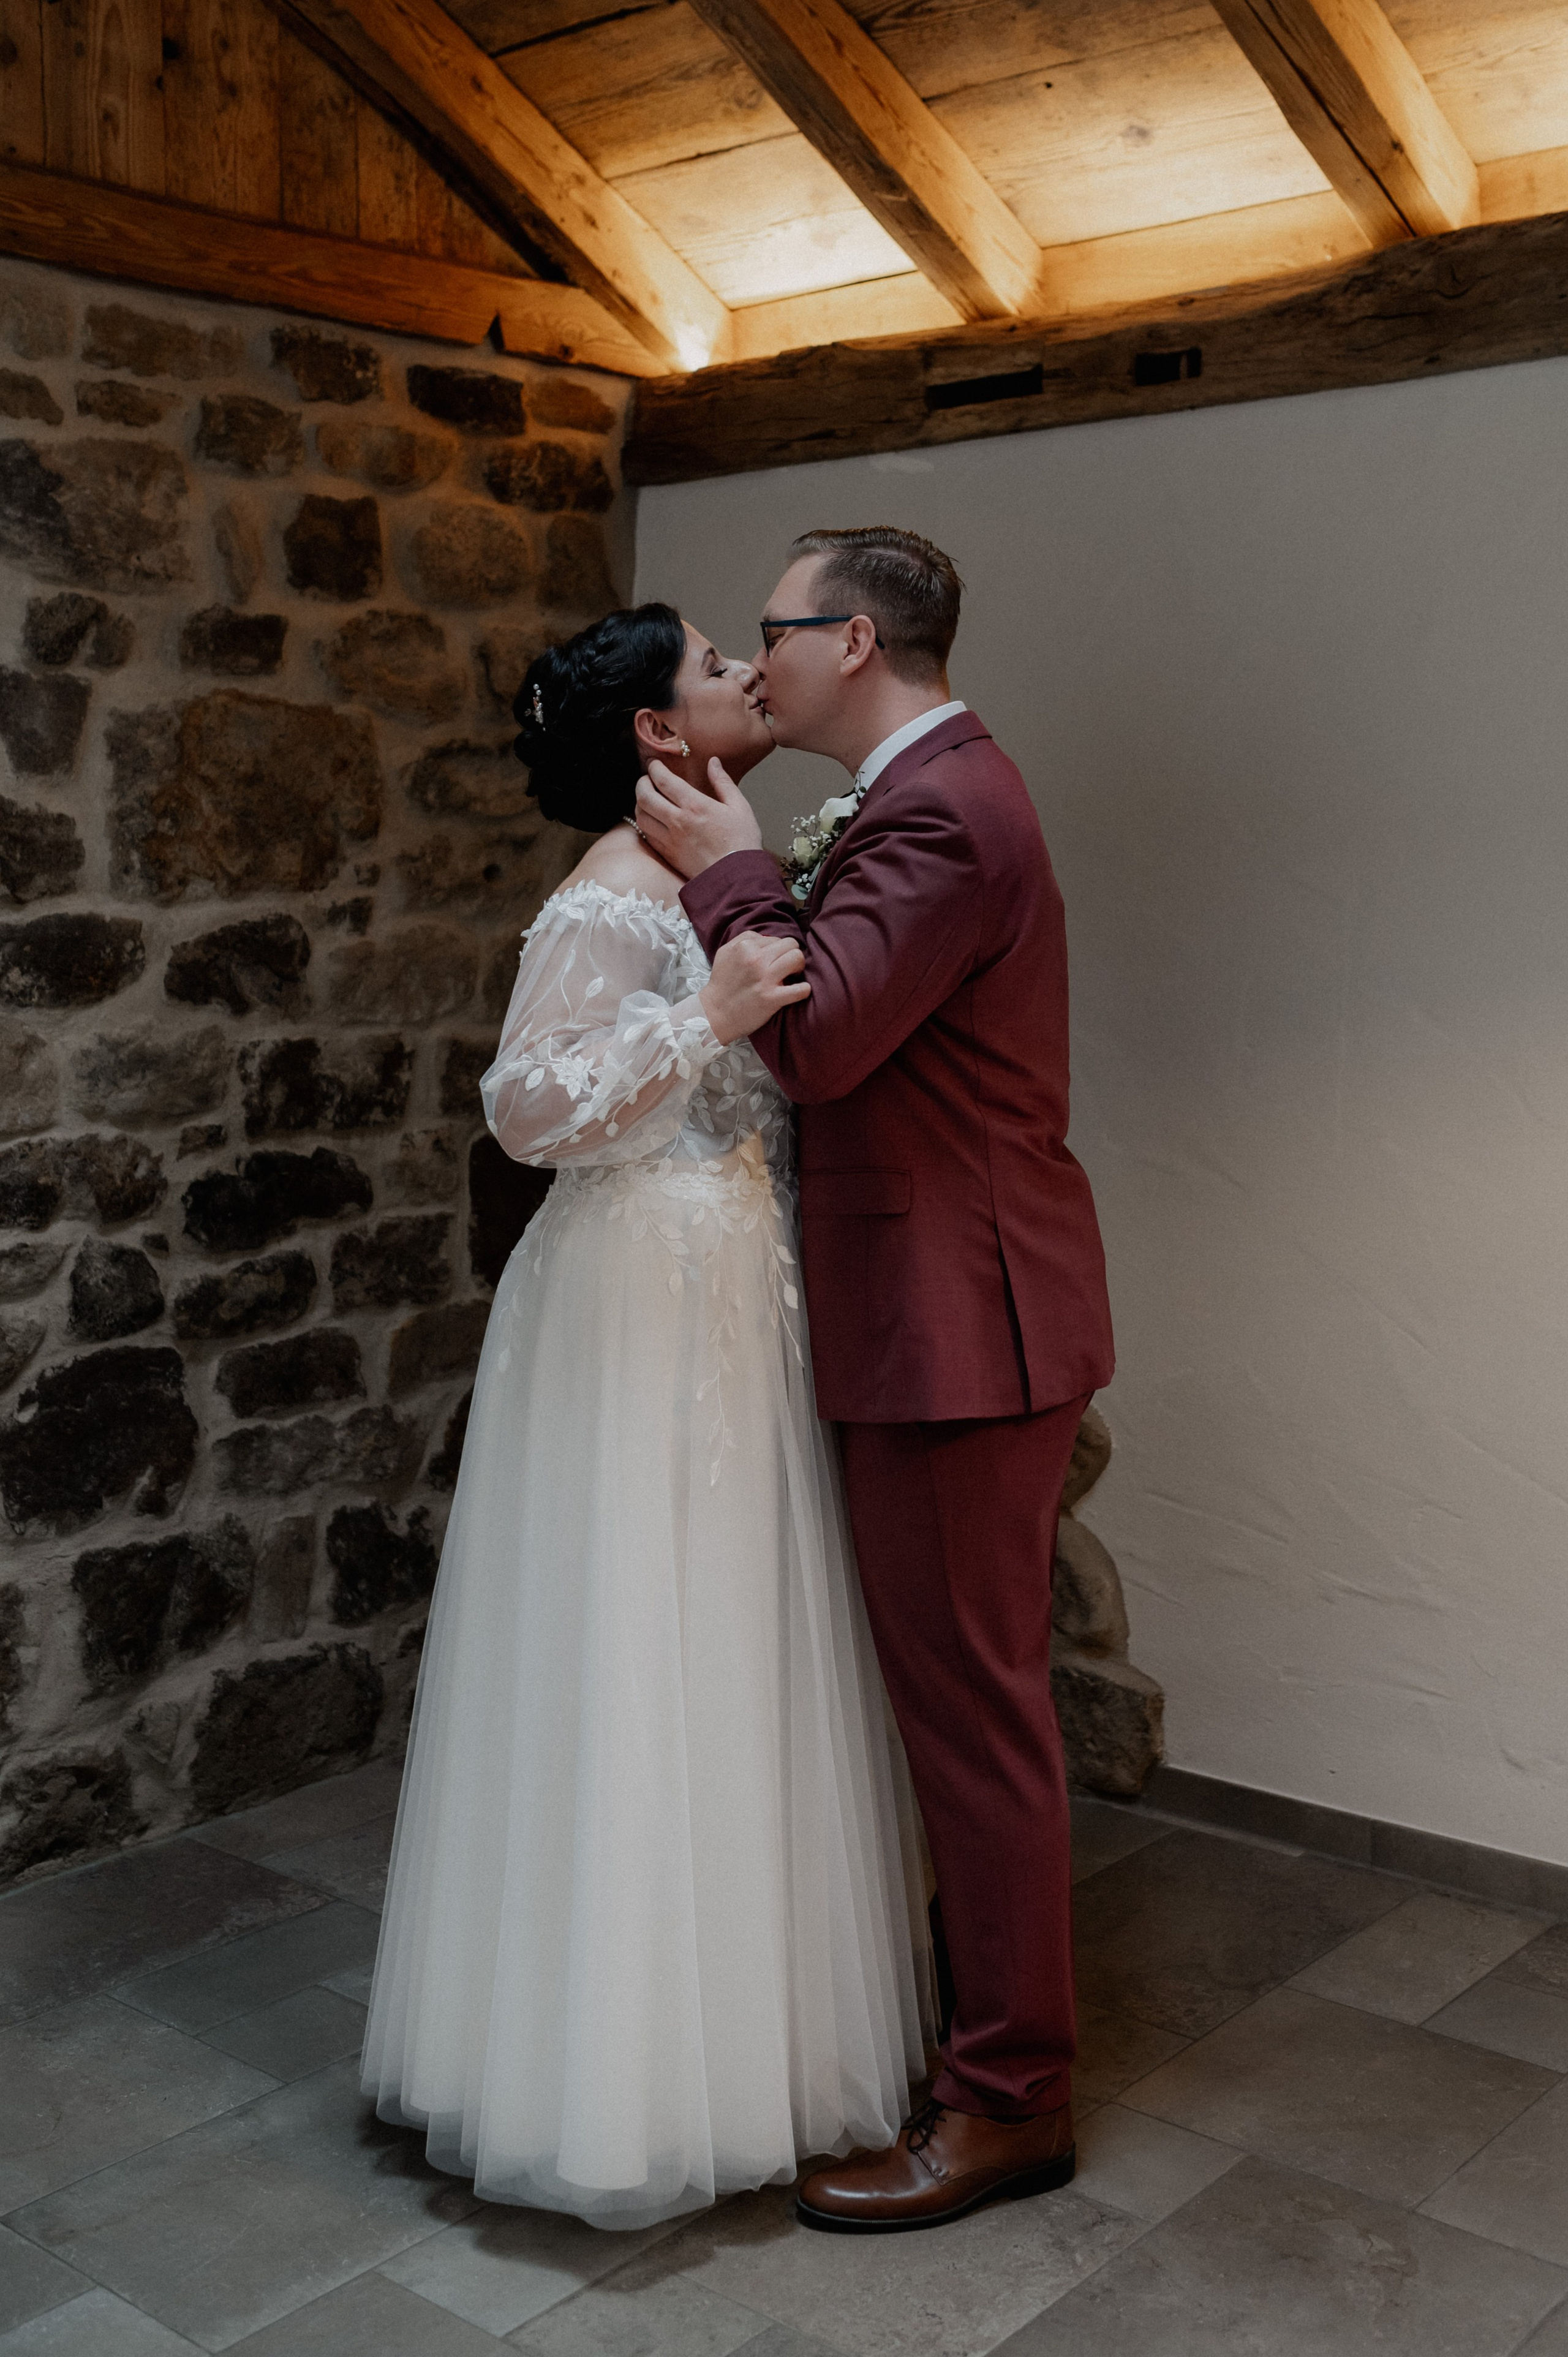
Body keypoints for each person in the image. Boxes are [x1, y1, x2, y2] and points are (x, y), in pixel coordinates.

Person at [361, 602, 932, 2231]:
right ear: (659, 735)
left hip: (737, 1281)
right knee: (630, 1639)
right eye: (713, 663)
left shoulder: (719, 867)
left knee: (732, 1639)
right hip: (631, 1294)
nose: (749, 670)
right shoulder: (613, 887)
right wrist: (709, 1018)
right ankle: (603, 2083)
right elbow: (526, 1109)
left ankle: (747, 2049)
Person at [635, 526, 1115, 2233]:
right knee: (962, 1714)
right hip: (938, 1311)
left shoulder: (943, 812)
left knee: (975, 1728)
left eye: (773, 631)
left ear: (850, 640)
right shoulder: (922, 797)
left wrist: (731, 874)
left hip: (960, 1327)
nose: (757, 662)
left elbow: (826, 1040)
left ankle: (1011, 2105)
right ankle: (981, 2044)